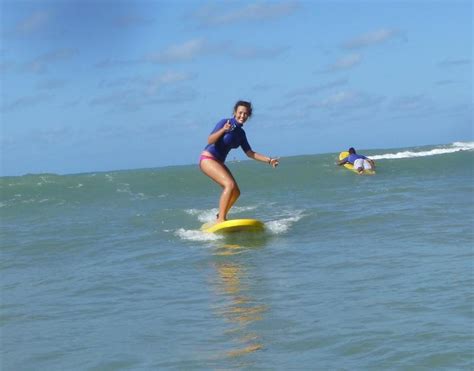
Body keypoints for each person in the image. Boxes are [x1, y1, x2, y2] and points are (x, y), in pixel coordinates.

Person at [199, 100, 279, 223]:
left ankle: (220, 215)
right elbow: (210, 140)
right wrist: (223, 130)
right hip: (208, 159)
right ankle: (221, 219)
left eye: (245, 114)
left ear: (248, 115)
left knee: (236, 192)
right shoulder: (224, 123)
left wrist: (269, 160)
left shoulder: (241, 134)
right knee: (229, 185)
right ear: (235, 112)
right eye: (240, 113)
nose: (242, 116)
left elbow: (250, 153)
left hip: (219, 162)